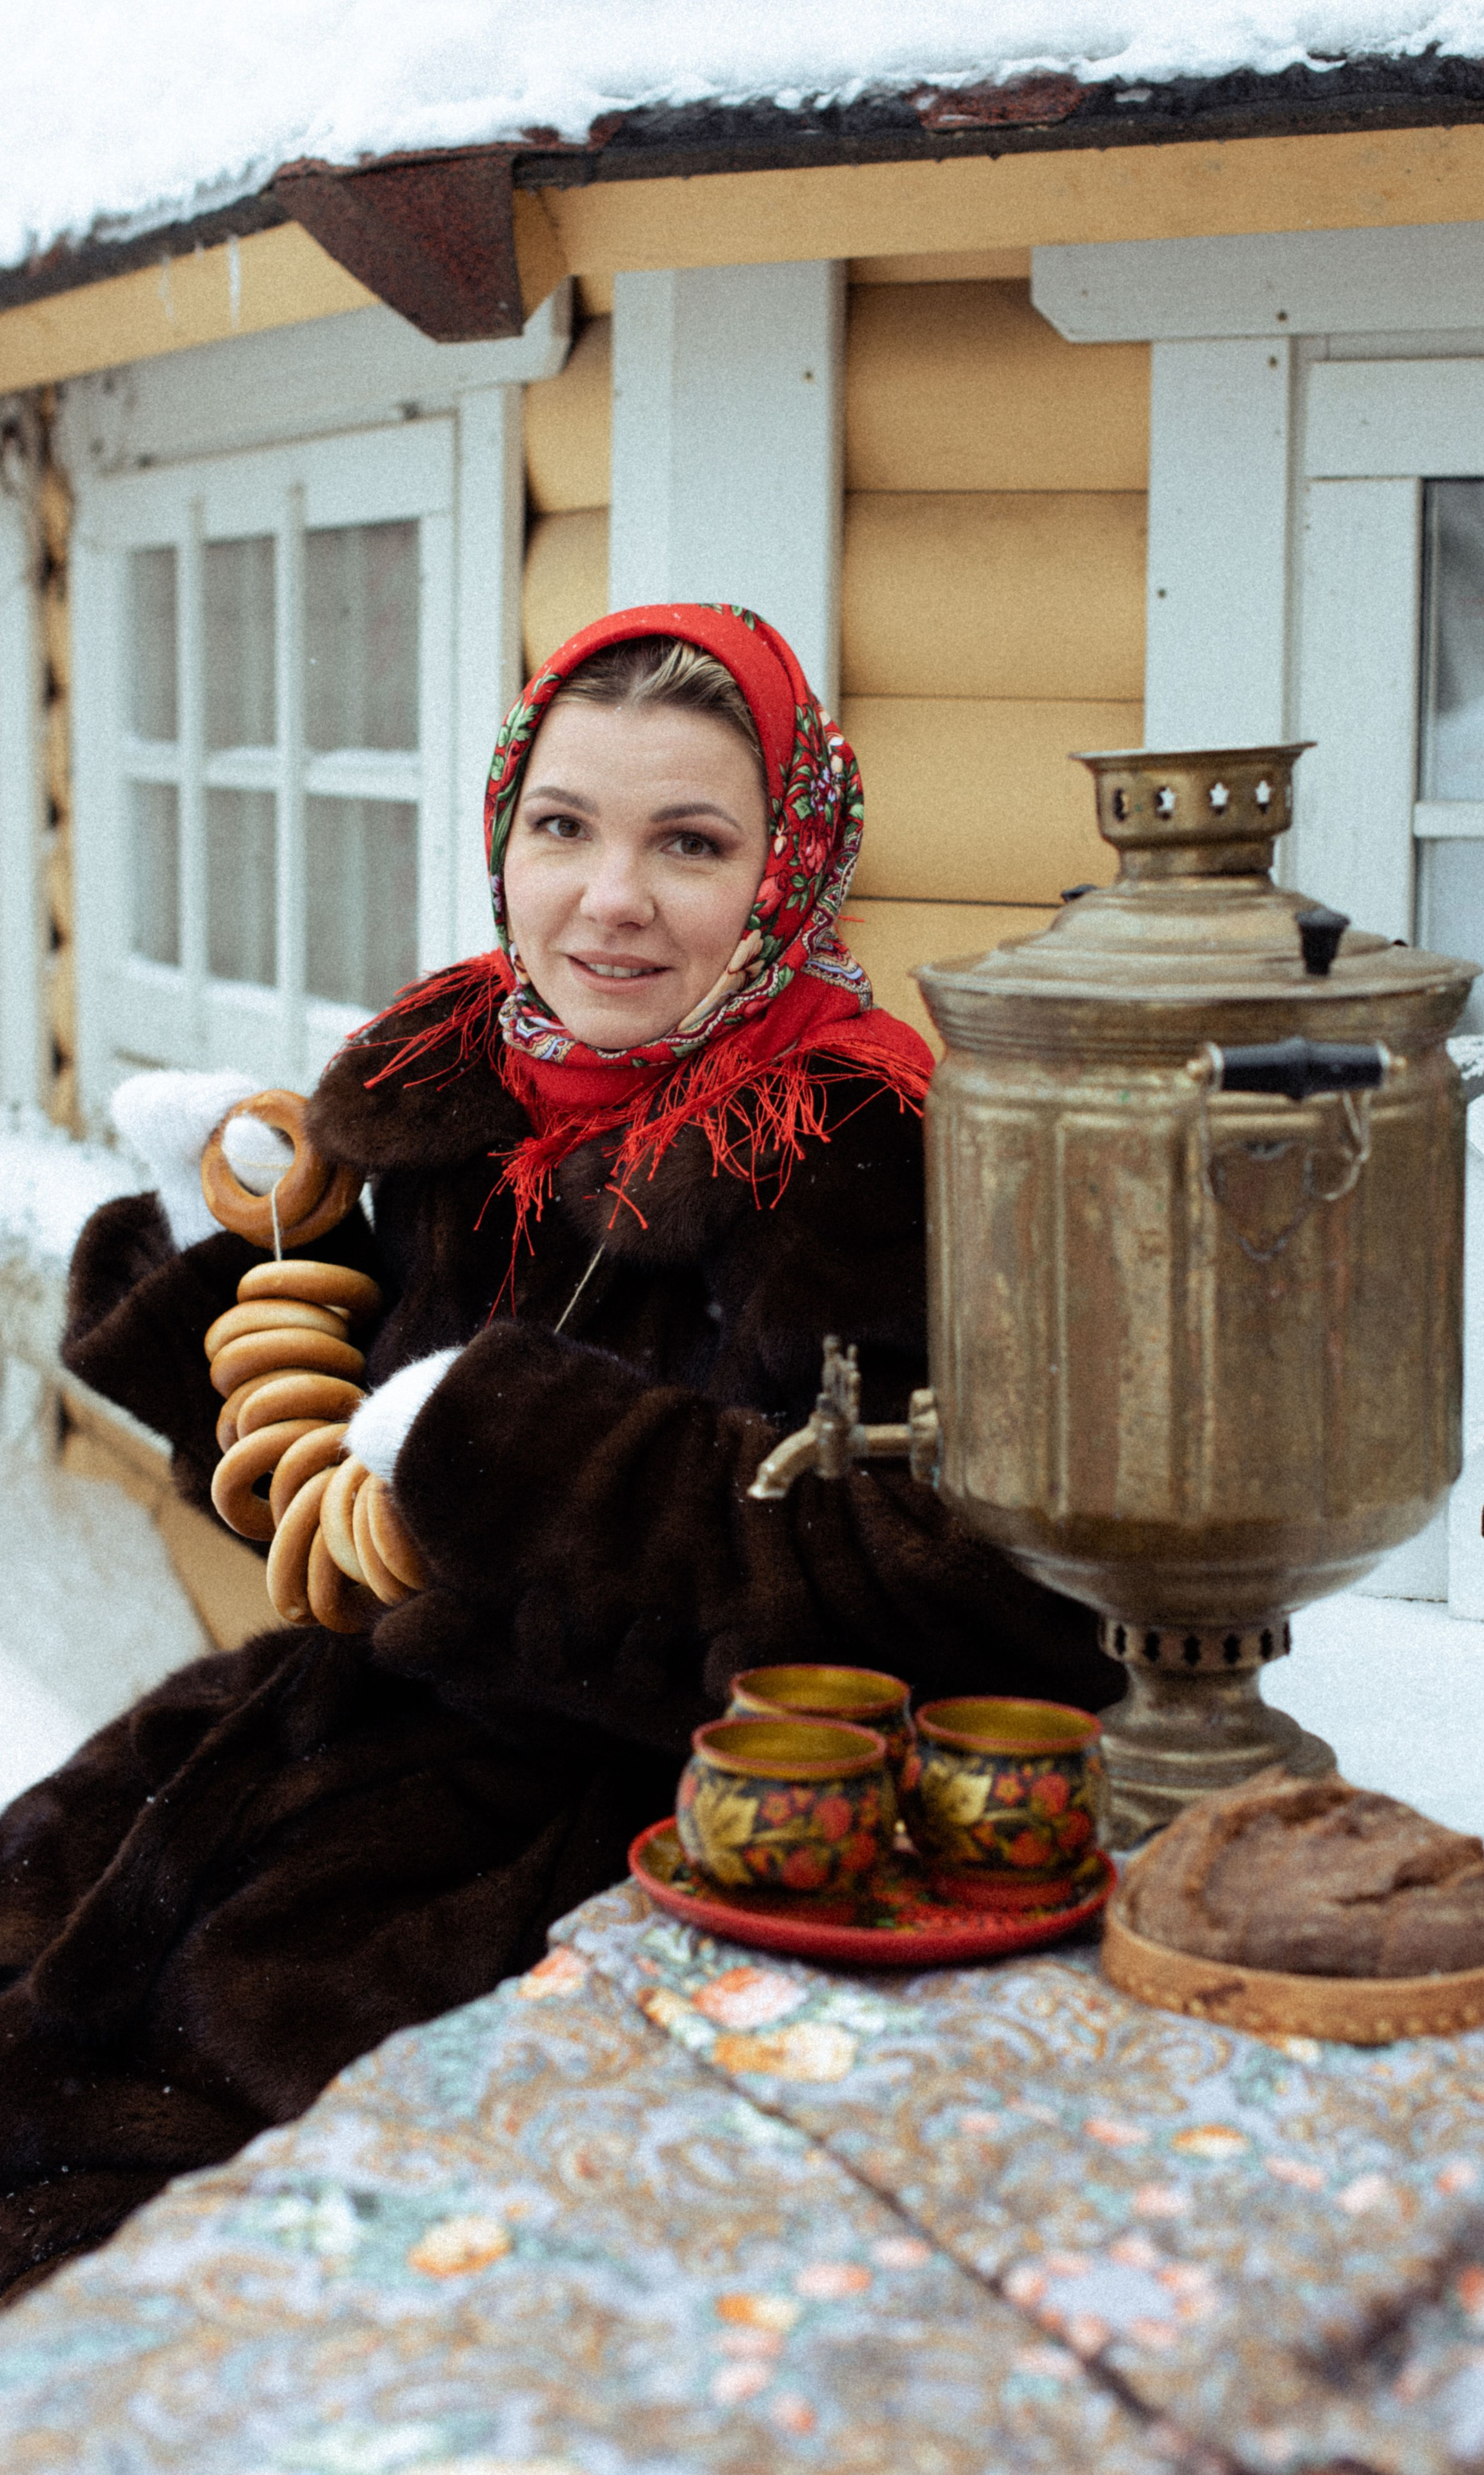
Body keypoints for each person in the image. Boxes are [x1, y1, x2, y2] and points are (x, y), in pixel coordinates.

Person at [0, 604, 1111, 2301]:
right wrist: (220, 1274)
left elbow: (972, 1592)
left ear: (789, 870)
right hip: (314, 1728)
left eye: (691, 843)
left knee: (193, 2241)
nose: (611, 898)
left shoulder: (857, 1155)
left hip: (594, 1836)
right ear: (503, 839)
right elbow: (343, 1480)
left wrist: (531, 1453)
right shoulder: (476, 1084)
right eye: (565, 827)